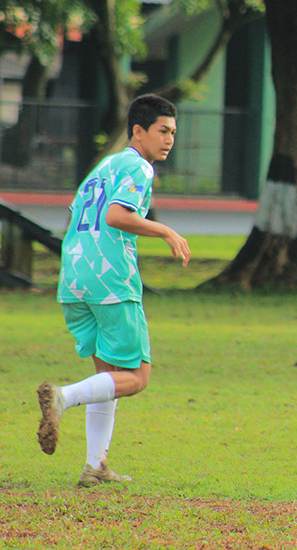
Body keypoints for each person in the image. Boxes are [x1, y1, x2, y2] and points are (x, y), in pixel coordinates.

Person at [36, 94, 191, 487]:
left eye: (173, 132)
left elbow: (77, 214)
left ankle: (95, 465)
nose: (169, 139)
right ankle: (62, 397)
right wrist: (166, 230)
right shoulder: (139, 167)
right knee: (137, 376)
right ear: (138, 131)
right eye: (162, 131)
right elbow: (117, 215)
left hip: (73, 277)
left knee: (108, 375)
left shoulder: (104, 166)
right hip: (110, 279)